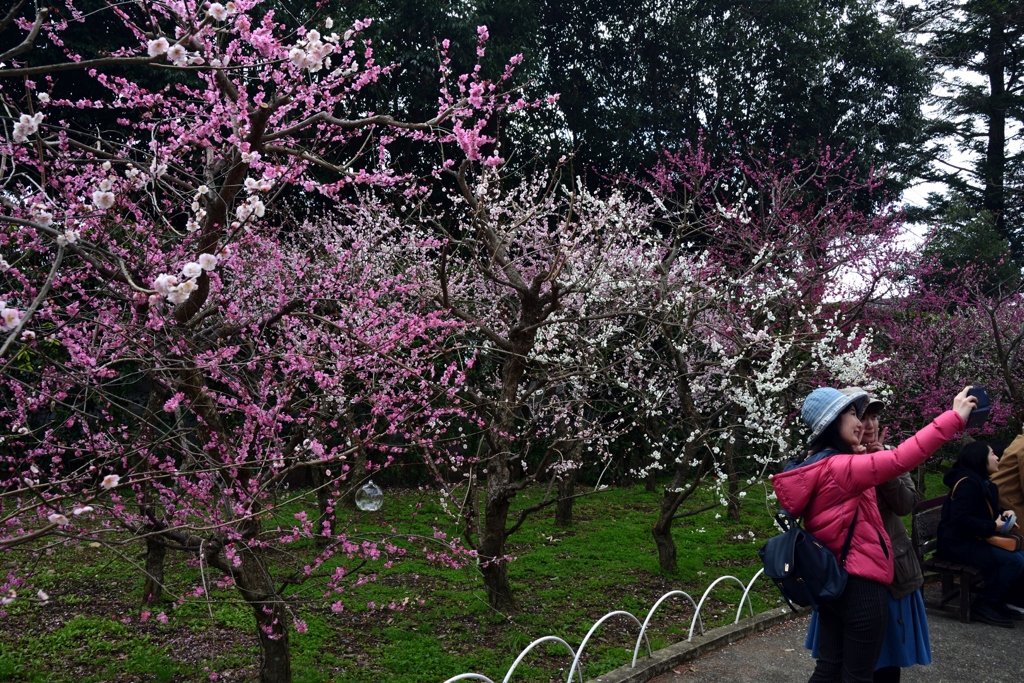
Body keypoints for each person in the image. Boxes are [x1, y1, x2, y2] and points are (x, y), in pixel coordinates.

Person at [773, 385, 974, 683]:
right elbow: (903, 457)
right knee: (858, 676)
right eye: (853, 415)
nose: (862, 423)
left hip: (832, 582)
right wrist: (954, 417)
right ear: (832, 424)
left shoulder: (817, 464)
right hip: (862, 586)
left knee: (829, 669)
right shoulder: (845, 468)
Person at [803, 389, 932, 683]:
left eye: (874, 416)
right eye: (862, 416)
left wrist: (882, 465)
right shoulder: (834, 462)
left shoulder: (890, 456)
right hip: (844, 574)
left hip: (892, 572)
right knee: (840, 664)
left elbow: (906, 504)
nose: (870, 424)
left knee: (887, 663)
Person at [936, 441, 1024, 627]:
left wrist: (1003, 513)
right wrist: (993, 526)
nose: (997, 457)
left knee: (1020, 555)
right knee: (1015, 560)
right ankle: (984, 603)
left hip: (971, 539)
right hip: (956, 544)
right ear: (979, 459)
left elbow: (981, 510)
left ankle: (996, 600)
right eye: (992, 454)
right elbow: (960, 518)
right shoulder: (968, 483)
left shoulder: (980, 481)